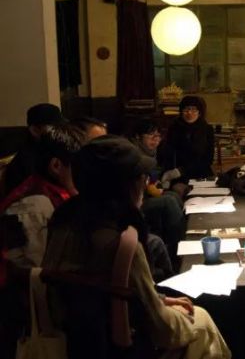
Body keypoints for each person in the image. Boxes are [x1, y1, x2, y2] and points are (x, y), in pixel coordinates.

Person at [42, 135, 231, 359]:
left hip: (73, 343)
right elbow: (165, 331)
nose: (145, 181)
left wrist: (156, 299)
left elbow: (98, 293)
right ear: (124, 185)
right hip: (124, 347)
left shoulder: (62, 223)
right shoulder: (122, 242)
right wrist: (174, 313)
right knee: (202, 320)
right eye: (141, 177)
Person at [0, 123, 83, 359]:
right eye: (79, 166)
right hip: (24, 307)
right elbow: (37, 270)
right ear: (57, 166)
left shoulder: (52, 192)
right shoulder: (32, 205)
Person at [130, 118, 186, 272]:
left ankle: (180, 244)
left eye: (158, 136)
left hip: (146, 195)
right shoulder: (132, 154)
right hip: (136, 202)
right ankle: (176, 253)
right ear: (137, 137)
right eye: (151, 136)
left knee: (173, 196)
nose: (155, 140)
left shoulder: (152, 152)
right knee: (169, 201)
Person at [4, 103, 64, 194]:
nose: (61, 132)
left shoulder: (56, 151)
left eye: (62, 127)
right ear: (34, 130)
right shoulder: (24, 163)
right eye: (55, 128)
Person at [162, 95, 215, 187]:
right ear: (181, 112)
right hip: (177, 176)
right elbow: (168, 154)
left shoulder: (207, 129)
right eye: (186, 110)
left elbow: (208, 159)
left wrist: (182, 171)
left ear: (199, 112)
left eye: (194, 110)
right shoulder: (174, 128)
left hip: (201, 175)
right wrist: (169, 173)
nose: (189, 113)